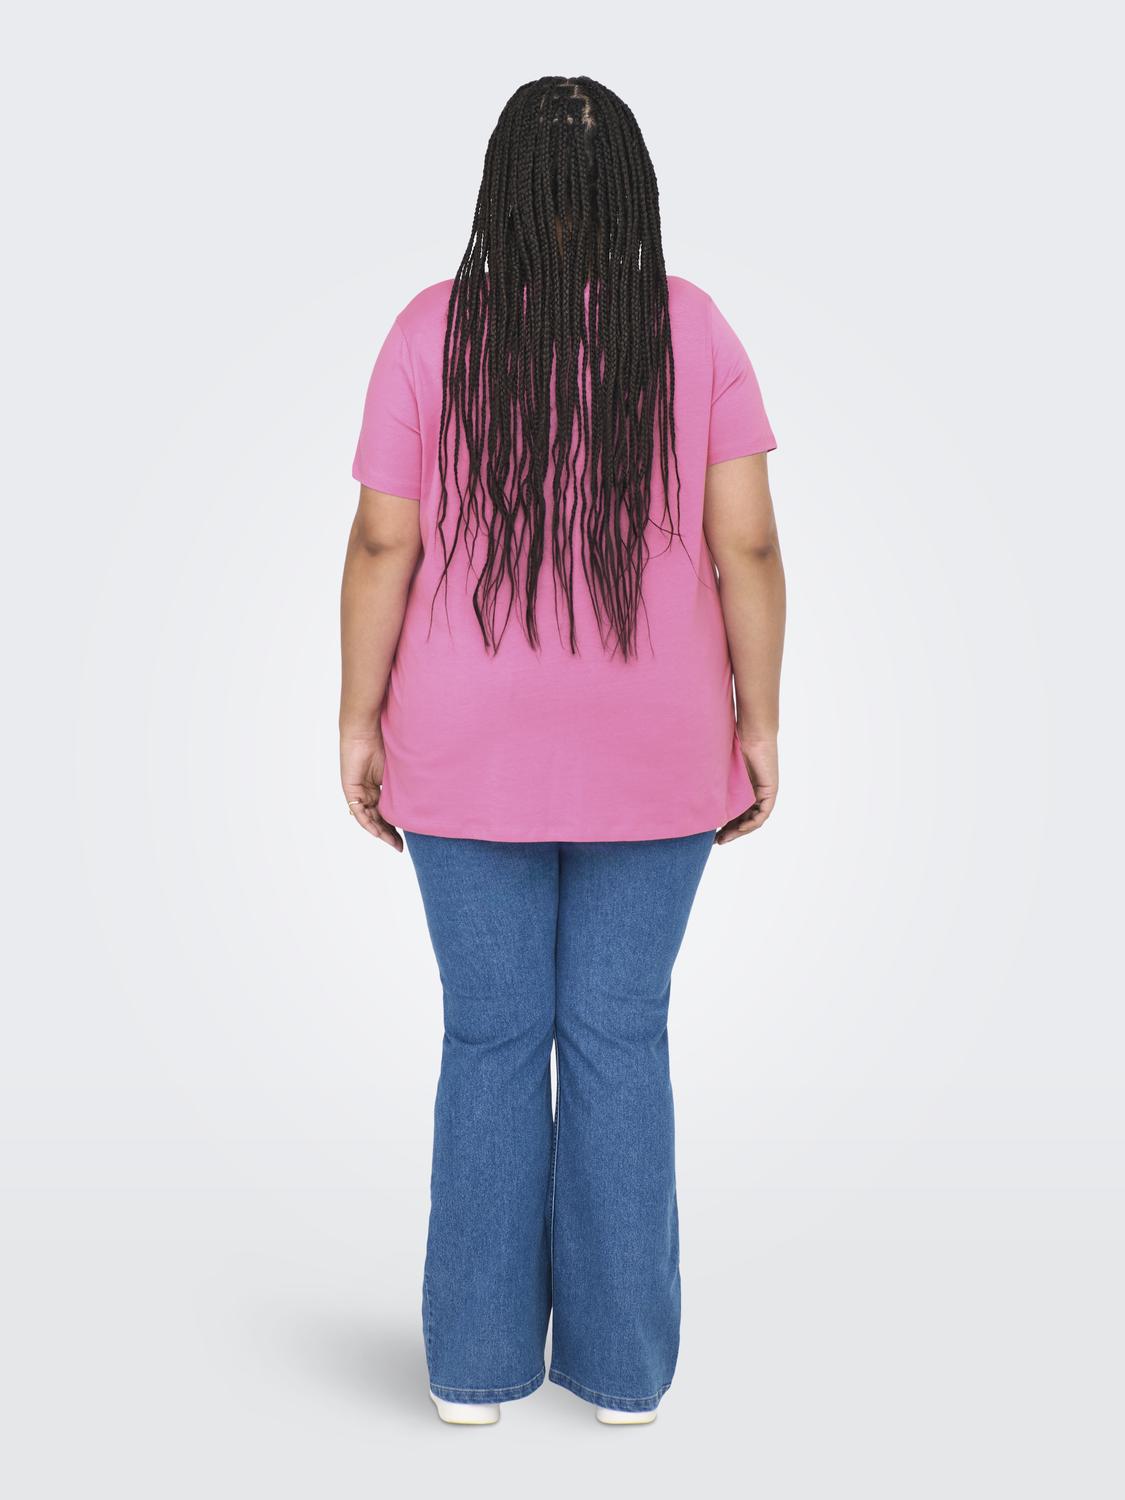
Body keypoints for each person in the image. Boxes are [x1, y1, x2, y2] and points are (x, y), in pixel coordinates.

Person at [339, 76, 785, 1427]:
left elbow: (383, 541)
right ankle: (623, 1377)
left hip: (461, 754)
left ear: (504, 186)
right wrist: (760, 720)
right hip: (658, 757)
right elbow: (748, 545)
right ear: (628, 190)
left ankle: (473, 1373)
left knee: (489, 1036)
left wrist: (356, 717)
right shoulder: (691, 327)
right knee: (617, 1034)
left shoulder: (431, 329)